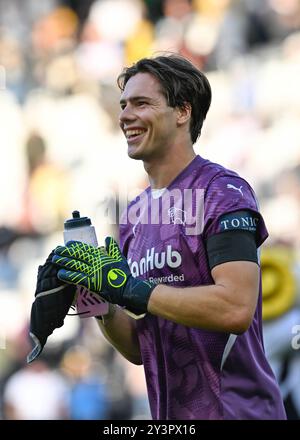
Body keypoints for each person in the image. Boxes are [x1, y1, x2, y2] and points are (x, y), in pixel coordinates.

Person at [48, 54, 286, 419]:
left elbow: (236, 307)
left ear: (182, 112)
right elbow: (139, 348)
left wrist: (134, 291)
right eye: (124, 105)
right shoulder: (132, 217)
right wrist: (101, 300)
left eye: (141, 103)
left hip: (237, 412)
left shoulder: (222, 191)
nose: (125, 116)